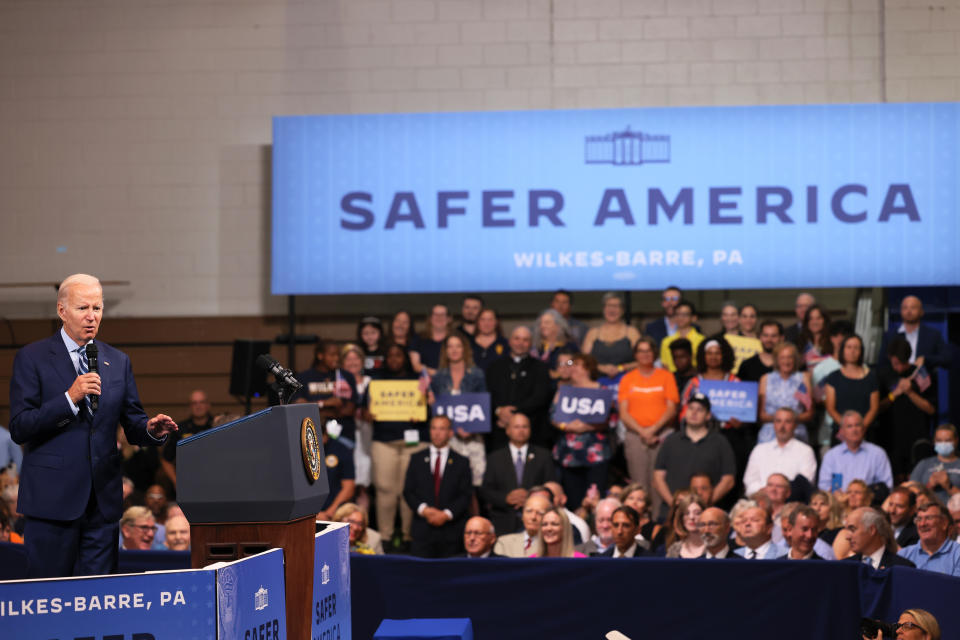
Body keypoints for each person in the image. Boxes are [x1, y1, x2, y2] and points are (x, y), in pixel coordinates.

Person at [9, 274, 177, 577]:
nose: (91, 317)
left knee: (98, 598)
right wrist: (70, 398)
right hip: (51, 505)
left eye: (97, 309)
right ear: (62, 311)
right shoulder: (32, 357)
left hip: (102, 505)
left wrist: (151, 429)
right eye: (82, 308)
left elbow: (133, 420)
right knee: (51, 597)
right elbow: (21, 426)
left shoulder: (117, 361)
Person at [369, 344, 428, 551]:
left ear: (405, 358)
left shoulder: (418, 382)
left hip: (414, 441)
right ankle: (385, 537)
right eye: (390, 355)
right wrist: (367, 414)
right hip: (384, 441)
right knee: (385, 490)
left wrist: (423, 406)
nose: (395, 359)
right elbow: (362, 410)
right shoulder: (375, 381)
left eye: (399, 355)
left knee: (409, 491)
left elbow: (430, 407)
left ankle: (408, 537)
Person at [619, 337, 679, 517]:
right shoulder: (628, 379)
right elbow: (624, 413)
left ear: (654, 354)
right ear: (635, 355)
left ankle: (659, 523)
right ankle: (638, 523)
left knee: (659, 482)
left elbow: (671, 408)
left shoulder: (666, 376)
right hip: (636, 436)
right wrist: (642, 431)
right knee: (638, 484)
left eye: (648, 350)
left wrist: (653, 430)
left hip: (661, 434)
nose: (645, 354)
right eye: (641, 351)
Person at [679, 336, 750, 485]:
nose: (713, 357)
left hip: (730, 437)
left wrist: (741, 423)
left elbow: (746, 413)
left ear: (724, 355)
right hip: (699, 438)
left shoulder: (735, 382)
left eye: (717, 353)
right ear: (702, 356)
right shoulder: (694, 383)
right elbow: (683, 412)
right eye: (709, 353)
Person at [402, 415, 472, 558]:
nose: (437, 432)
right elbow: (408, 492)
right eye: (433, 428)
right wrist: (425, 510)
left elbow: (466, 495)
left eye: (442, 428)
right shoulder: (416, 459)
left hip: (451, 532)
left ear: (450, 432)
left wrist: (445, 514)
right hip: (422, 531)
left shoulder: (462, 462)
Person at [653, 393, 736, 512]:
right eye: (691, 408)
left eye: (700, 410)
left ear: (708, 416)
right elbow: (658, 478)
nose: (694, 413)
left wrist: (705, 504)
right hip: (671, 512)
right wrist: (674, 504)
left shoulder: (720, 442)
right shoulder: (671, 440)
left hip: (707, 513)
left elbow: (728, 480)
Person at [551, 353, 612, 510]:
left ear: (588, 368)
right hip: (569, 453)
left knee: (595, 498)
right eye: (572, 364)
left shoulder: (602, 389)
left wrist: (587, 427)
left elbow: (610, 418)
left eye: (577, 364)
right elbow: (553, 416)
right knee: (573, 499)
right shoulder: (564, 390)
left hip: (595, 453)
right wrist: (567, 427)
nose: (573, 368)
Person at [480, 412, 555, 536]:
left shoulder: (544, 456)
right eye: (516, 427)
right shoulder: (494, 457)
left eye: (525, 427)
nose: (521, 430)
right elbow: (486, 491)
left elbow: (551, 487)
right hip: (503, 521)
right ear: (507, 430)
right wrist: (506, 498)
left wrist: (531, 497)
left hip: (537, 521)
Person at [429, 333, 487, 486]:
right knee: (450, 484)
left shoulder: (477, 374)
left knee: (474, 485)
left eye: (458, 346)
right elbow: (436, 408)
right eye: (450, 346)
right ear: (445, 351)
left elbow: (483, 407)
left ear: (465, 349)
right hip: (447, 439)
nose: (454, 350)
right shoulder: (438, 377)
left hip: (472, 438)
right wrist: (430, 402)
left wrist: (472, 429)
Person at [486, 326, 552, 450]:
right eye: (517, 339)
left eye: (525, 340)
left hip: (532, 431)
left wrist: (513, 415)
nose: (520, 343)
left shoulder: (540, 368)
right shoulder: (495, 367)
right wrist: (499, 411)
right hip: (499, 430)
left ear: (531, 343)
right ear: (510, 341)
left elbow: (540, 397)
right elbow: (488, 394)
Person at [880, 337, 937, 477]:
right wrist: (894, 394)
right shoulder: (884, 374)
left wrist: (910, 392)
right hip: (892, 437)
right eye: (895, 363)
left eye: (902, 363)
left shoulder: (921, 374)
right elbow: (878, 408)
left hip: (917, 437)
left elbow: (931, 409)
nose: (898, 367)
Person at [293, 340, 359, 446]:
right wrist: (325, 403)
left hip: (343, 437)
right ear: (320, 356)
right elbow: (299, 408)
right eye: (332, 355)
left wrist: (315, 410)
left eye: (338, 355)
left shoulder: (346, 376)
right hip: (312, 437)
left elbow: (348, 410)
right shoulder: (303, 378)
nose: (336, 358)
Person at [743, 407, 817, 495]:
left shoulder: (806, 451)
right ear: (773, 424)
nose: (782, 426)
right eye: (778, 421)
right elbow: (749, 480)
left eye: (788, 422)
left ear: (795, 425)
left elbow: (805, 482)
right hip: (761, 500)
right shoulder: (759, 450)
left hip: (792, 502)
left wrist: (780, 493)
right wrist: (767, 492)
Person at [818, 411, 893, 493]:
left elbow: (887, 486)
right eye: (849, 426)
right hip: (838, 503)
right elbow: (823, 487)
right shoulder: (831, 455)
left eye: (857, 425)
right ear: (842, 431)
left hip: (869, 503)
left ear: (863, 429)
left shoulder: (878, 454)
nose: (854, 429)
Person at [757, 342, 815, 445]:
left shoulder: (804, 378)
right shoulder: (765, 379)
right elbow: (762, 415)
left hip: (797, 433)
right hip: (769, 435)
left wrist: (789, 421)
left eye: (790, 357)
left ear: (795, 359)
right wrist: (780, 421)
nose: (786, 361)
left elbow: (809, 413)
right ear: (776, 360)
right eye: (782, 358)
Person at [824, 334, 879, 441]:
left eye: (856, 348)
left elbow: (874, 408)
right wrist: (847, 427)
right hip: (841, 432)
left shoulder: (871, 377)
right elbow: (830, 408)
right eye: (848, 347)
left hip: (866, 432)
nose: (852, 351)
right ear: (842, 350)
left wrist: (860, 428)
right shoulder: (833, 377)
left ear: (861, 351)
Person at [880, 295, 953, 373]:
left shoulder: (933, 335)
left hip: (924, 383)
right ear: (901, 311)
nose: (909, 311)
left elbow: (947, 359)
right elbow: (881, 365)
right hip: (897, 383)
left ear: (922, 312)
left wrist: (926, 359)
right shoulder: (890, 336)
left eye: (913, 307)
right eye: (905, 308)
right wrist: (896, 382)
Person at [340, 344, 372, 510]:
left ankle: (363, 523)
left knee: (364, 484)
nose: (352, 362)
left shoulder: (371, 382)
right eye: (348, 358)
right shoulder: (339, 382)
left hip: (368, 435)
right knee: (348, 480)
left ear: (362, 361)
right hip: (346, 435)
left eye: (356, 358)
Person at [160, 389, 214, 487]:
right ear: (190, 407)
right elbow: (166, 459)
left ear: (208, 405)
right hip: (188, 482)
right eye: (194, 403)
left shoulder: (217, 425)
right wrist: (176, 482)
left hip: (215, 480)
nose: (198, 406)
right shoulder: (179, 429)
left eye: (201, 402)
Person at [582, 292, 641, 379]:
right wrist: (601, 368)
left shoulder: (632, 332)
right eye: (609, 306)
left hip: (627, 383)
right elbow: (583, 361)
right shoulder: (592, 333)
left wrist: (621, 368)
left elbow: (643, 360)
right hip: (597, 384)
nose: (612, 310)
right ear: (603, 309)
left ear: (622, 310)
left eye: (616, 306)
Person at [897, 502, 960, 576]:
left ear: (944, 523)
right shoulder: (904, 555)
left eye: (928, 518)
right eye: (919, 519)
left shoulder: (957, 554)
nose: (922, 524)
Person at [845, 507, 915, 570]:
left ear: (871, 530)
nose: (847, 537)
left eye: (852, 529)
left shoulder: (902, 568)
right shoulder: (845, 566)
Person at [909, 424, 960, 505]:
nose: (943, 444)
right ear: (934, 441)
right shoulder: (924, 464)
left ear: (956, 440)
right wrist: (930, 486)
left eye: (948, 440)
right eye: (939, 440)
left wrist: (949, 486)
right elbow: (910, 495)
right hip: (926, 513)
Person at [317, 422, 356, 521]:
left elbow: (349, 487)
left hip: (333, 513)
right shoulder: (298, 450)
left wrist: (329, 513)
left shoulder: (341, 450)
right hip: (305, 514)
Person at [493, 492, 550, 557]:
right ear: (522, 515)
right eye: (529, 511)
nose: (533, 517)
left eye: (540, 513)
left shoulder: (550, 544)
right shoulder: (504, 542)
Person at [533, 309, 579, 381]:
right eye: (540, 323)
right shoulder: (536, 348)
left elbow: (575, 366)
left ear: (558, 325)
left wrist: (560, 373)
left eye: (547, 323)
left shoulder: (570, 346)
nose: (542, 326)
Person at [659, 300, 705, 372]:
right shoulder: (666, 341)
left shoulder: (702, 341)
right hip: (673, 380)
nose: (680, 318)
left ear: (694, 318)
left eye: (684, 314)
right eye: (677, 314)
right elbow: (665, 366)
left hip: (695, 380)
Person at [410, 304, 452, 375]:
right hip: (424, 382)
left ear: (449, 319)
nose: (439, 318)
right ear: (430, 318)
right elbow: (416, 366)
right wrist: (438, 375)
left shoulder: (456, 338)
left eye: (442, 315)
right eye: (435, 314)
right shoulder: (418, 339)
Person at [664, 492, 706, 558]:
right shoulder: (674, 550)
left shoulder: (713, 548)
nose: (692, 517)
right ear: (681, 518)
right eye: (687, 513)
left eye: (697, 513)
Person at [796, 304, 831, 371]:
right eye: (811, 318)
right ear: (807, 322)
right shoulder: (800, 342)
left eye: (819, 318)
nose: (815, 322)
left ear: (825, 320)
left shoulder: (832, 342)